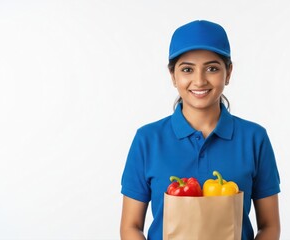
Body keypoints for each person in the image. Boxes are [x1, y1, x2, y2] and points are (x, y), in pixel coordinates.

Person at [120, 20, 281, 240]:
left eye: (212, 68)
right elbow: (130, 226)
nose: (199, 80)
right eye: (187, 69)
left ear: (229, 72)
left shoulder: (254, 138)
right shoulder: (148, 140)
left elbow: (270, 226)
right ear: (173, 75)